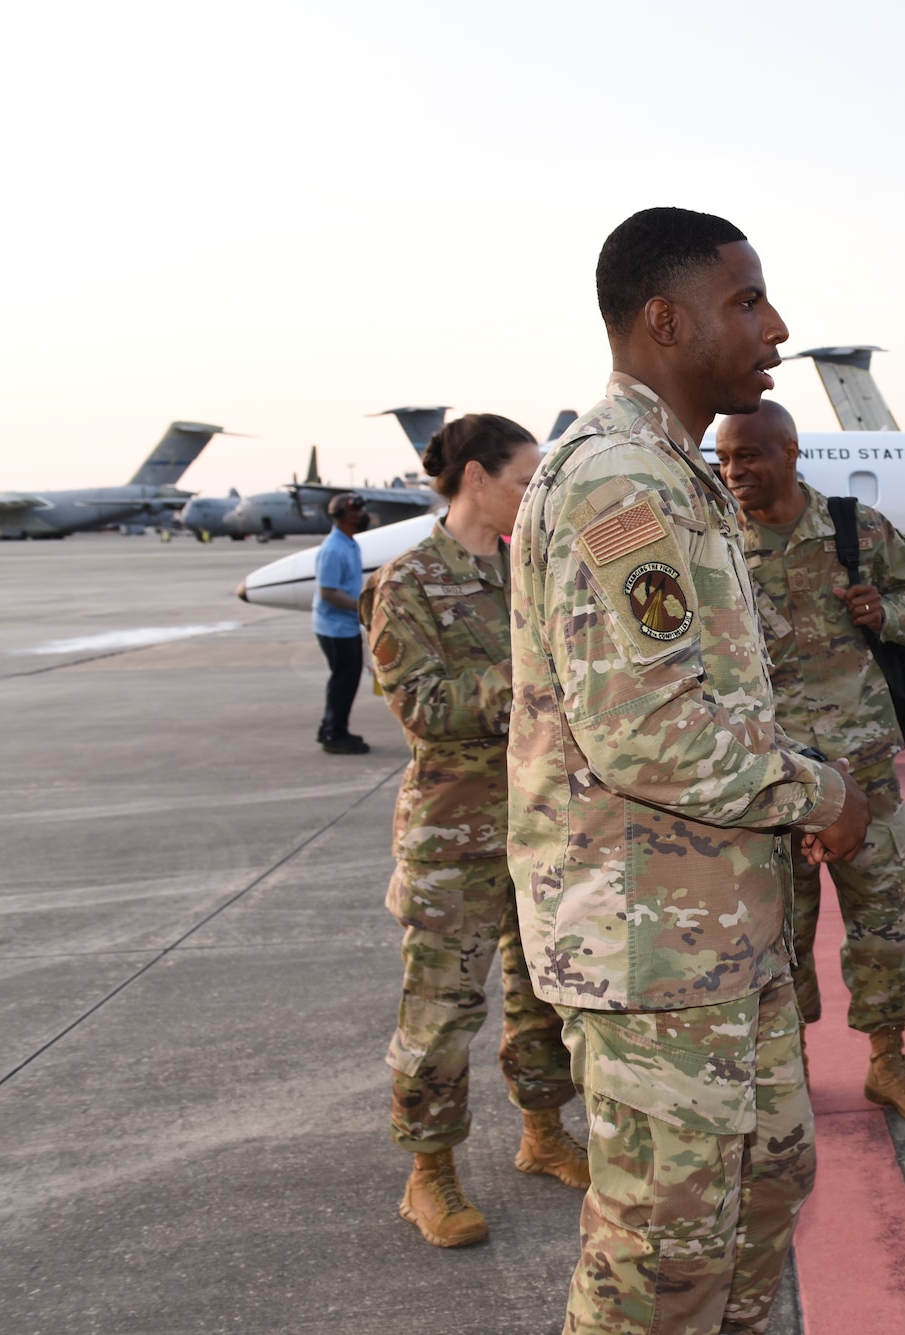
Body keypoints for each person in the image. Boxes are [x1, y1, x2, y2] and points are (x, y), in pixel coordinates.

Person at [508, 207, 869, 1335]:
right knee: (658, 1270)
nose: (775, 326)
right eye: (746, 301)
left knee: (760, 1198)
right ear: (664, 320)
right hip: (651, 954)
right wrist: (820, 790)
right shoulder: (621, 483)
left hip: (718, 935)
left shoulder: (672, 472)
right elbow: (646, 732)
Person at [363, 413, 586, 1249]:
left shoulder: (533, 572)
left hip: (542, 827)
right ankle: (431, 1175)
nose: (536, 497)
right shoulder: (408, 581)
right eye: (527, 481)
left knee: (543, 997)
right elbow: (422, 705)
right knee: (443, 1009)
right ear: (476, 478)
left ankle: (543, 1133)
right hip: (453, 838)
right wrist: (528, 678)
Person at [715, 399, 905, 1125]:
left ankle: (888, 1063)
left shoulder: (855, 528)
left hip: (863, 769)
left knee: (881, 919)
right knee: (776, 932)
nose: (734, 471)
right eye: (723, 459)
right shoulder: (716, 543)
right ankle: (790, 1070)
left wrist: (887, 613)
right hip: (771, 781)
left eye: (747, 455)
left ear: (789, 451)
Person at [314, 492, 371, 754]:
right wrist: (362, 607)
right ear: (343, 518)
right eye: (355, 513)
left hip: (345, 625)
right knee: (342, 681)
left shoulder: (350, 543)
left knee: (347, 679)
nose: (361, 517)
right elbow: (328, 592)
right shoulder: (333, 550)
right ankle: (333, 734)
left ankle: (332, 727)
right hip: (334, 628)